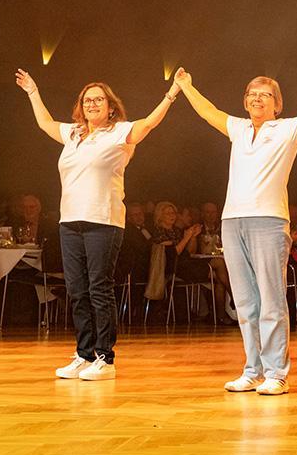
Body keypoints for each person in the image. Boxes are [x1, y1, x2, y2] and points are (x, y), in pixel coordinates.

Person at [175, 59, 297, 395]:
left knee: (271, 299)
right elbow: (208, 112)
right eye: (252, 94)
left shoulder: (287, 129)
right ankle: (252, 370)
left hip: (268, 221)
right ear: (245, 101)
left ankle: (276, 373)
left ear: (277, 104)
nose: (257, 98)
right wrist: (186, 86)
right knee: (244, 301)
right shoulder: (238, 128)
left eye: (265, 94)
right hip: (232, 221)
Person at [15, 68, 180, 380]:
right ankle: (84, 354)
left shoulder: (119, 132)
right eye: (87, 100)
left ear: (110, 106)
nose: (92, 104)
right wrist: (33, 92)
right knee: (77, 290)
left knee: (98, 288)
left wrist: (171, 94)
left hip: (103, 221)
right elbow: (46, 123)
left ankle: (105, 358)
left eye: (98, 100)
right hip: (70, 221)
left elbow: (148, 123)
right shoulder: (73, 134)